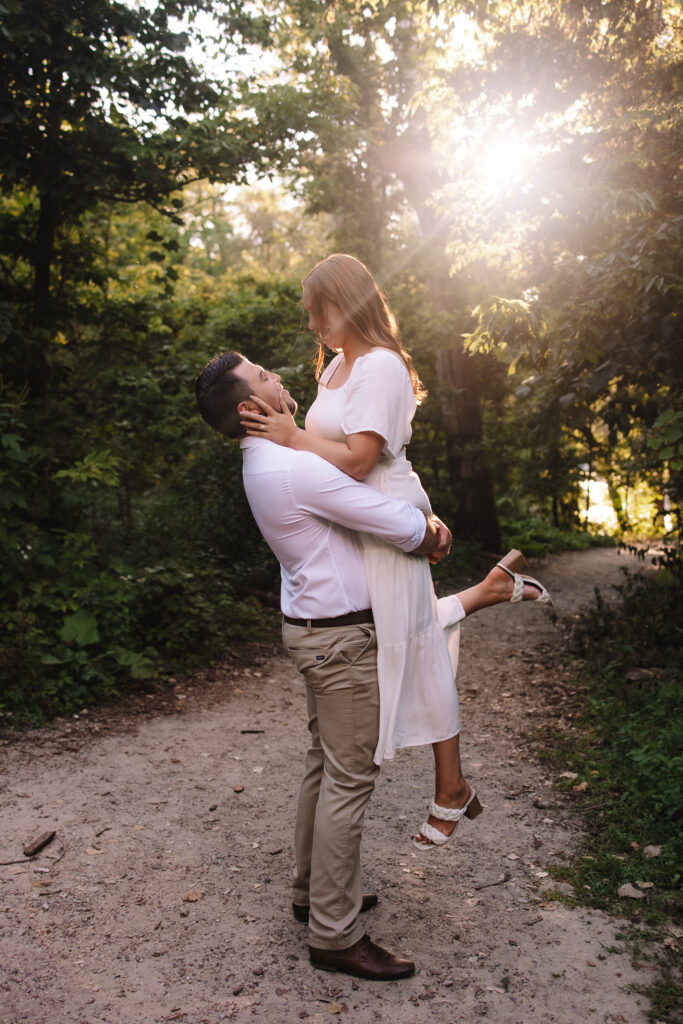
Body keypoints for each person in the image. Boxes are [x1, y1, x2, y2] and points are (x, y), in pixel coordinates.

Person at [239, 253, 551, 849]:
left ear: (347, 301)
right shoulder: (334, 369)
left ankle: (450, 785)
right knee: (405, 635)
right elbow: (330, 460)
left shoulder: (379, 366)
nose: (313, 325)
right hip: (355, 515)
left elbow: (360, 459)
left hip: (380, 511)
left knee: (411, 640)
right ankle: (489, 595)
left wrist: (292, 436)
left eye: (318, 311)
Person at [195, 350, 453, 980]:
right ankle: (334, 934)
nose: (277, 377)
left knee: (325, 765)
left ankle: (313, 891)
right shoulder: (292, 467)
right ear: (251, 408)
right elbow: (395, 523)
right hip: (340, 643)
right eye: (262, 377)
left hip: (317, 632)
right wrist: (432, 531)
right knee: (349, 778)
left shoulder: (270, 461)